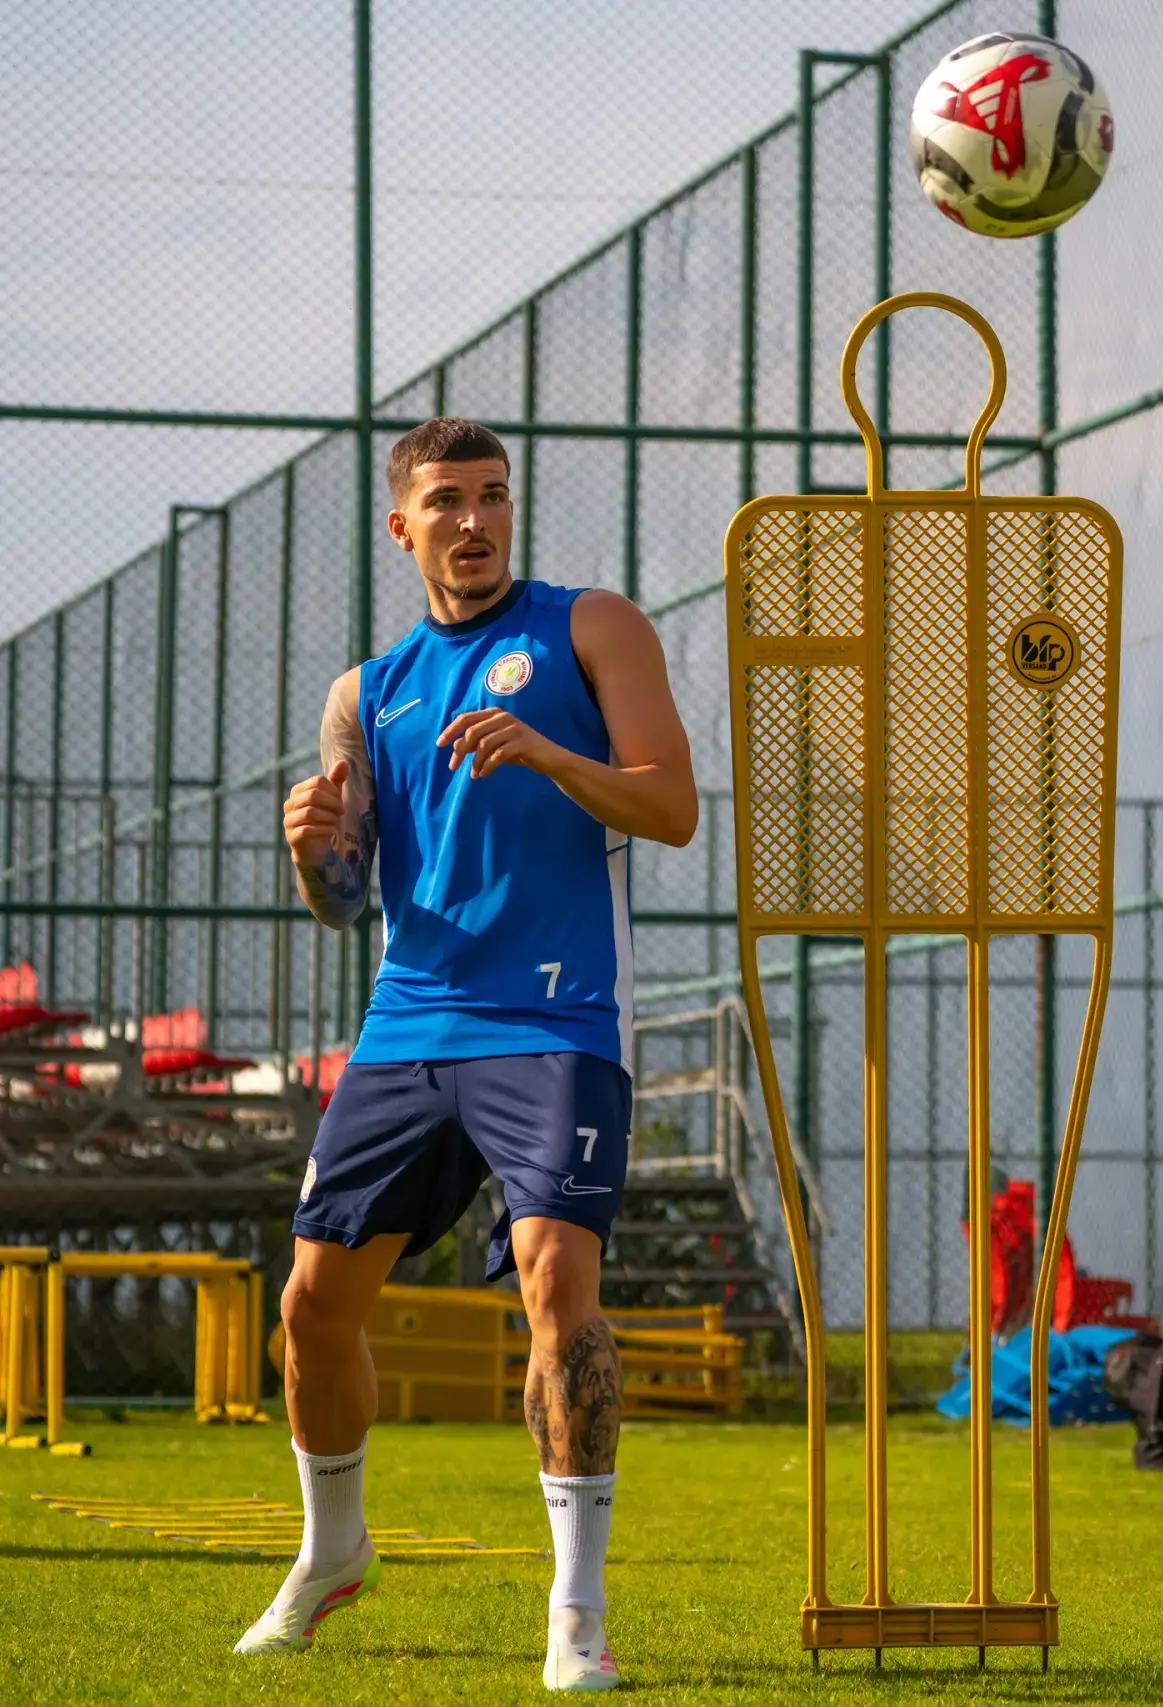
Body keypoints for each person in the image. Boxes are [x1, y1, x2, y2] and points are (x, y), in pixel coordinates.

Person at [234, 416, 698, 1692]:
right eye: (446, 501)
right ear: (403, 526)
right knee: (311, 1306)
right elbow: (345, 899)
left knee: (556, 1280)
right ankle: (334, 1553)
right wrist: (311, 850)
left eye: (492, 495)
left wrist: (546, 751)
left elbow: (670, 807)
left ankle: (576, 1613)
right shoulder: (365, 692)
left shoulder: (590, 626)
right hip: (409, 1022)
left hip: (557, 1016)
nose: (475, 519)